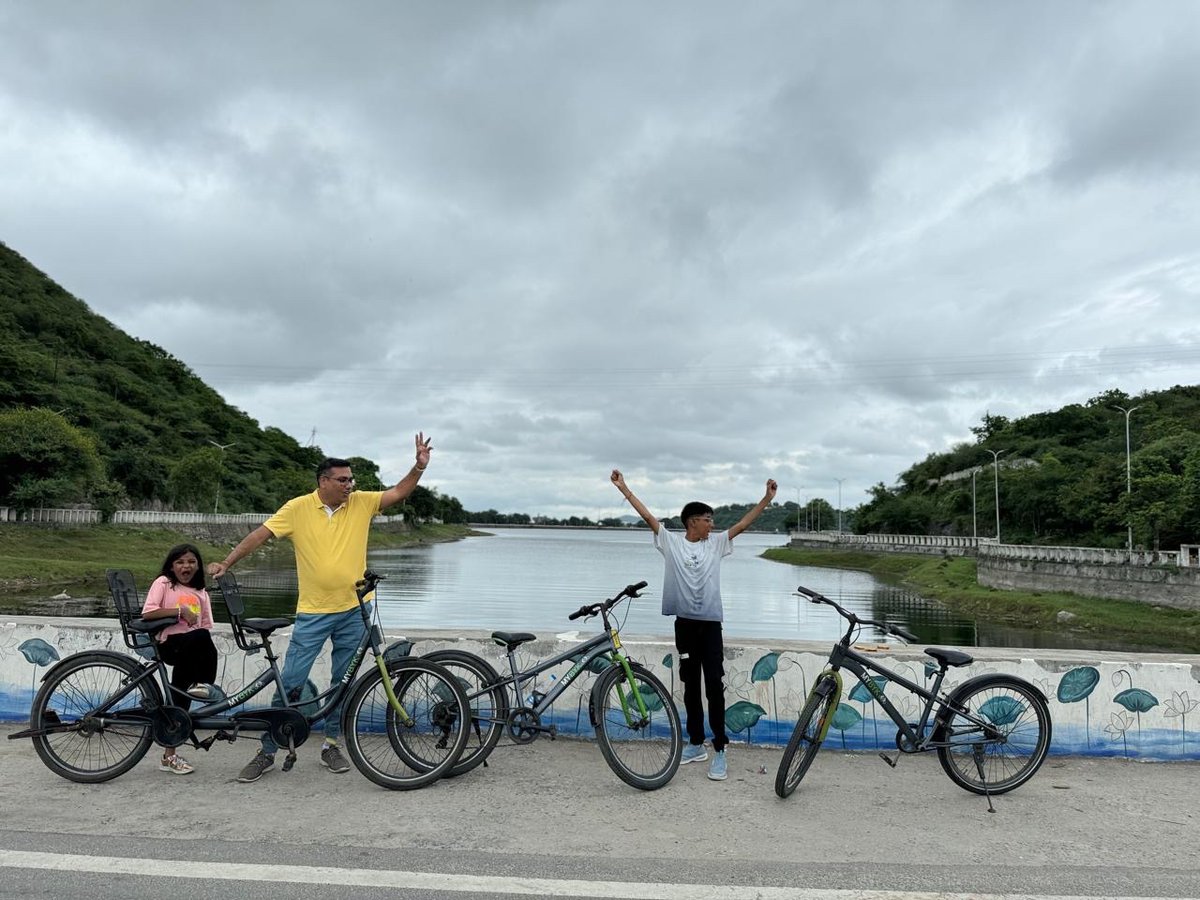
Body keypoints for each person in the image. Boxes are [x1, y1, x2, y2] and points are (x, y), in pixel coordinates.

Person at [207, 433, 433, 784]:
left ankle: (330, 744)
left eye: (351, 479)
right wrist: (227, 562)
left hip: (355, 611)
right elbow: (260, 535)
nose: (350, 485)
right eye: (343, 480)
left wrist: (418, 466)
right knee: (292, 683)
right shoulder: (297, 508)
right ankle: (267, 750)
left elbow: (399, 492)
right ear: (323, 482)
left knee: (342, 683)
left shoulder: (360, 503)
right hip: (313, 612)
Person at [610, 469, 777, 781]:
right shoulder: (672, 544)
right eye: (707, 519)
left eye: (712, 520)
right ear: (692, 522)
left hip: (711, 626)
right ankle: (696, 743)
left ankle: (720, 749)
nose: (712, 525)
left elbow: (741, 525)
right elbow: (649, 518)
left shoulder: (715, 545)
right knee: (690, 686)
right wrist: (625, 489)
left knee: (714, 686)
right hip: (684, 625)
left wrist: (766, 499)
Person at [140, 543, 219, 775]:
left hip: (190, 648)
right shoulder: (164, 583)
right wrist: (179, 612)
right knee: (200, 638)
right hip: (169, 644)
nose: (186, 566)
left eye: (191, 562)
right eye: (180, 562)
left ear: (198, 565)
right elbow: (148, 612)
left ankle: (169, 756)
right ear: (172, 566)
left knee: (180, 696)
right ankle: (203, 685)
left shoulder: (201, 592)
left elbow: (205, 627)